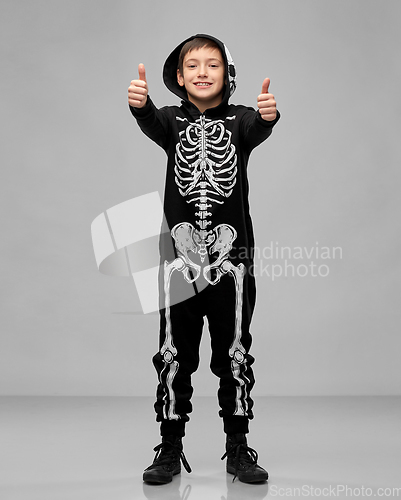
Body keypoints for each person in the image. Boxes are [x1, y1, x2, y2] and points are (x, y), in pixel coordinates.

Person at [128, 34, 280, 485]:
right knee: (174, 353)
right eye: (191, 65)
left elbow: (258, 130)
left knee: (234, 351)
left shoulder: (242, 121)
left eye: (212, 65)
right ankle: (169, 448)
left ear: (227, 74)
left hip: (233, 261)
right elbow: (152, 123)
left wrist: (270, 117)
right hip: (180, 261)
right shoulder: (171, 121)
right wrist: (140, 107)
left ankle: (238, 447)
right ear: (178, 77)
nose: (201, 72)